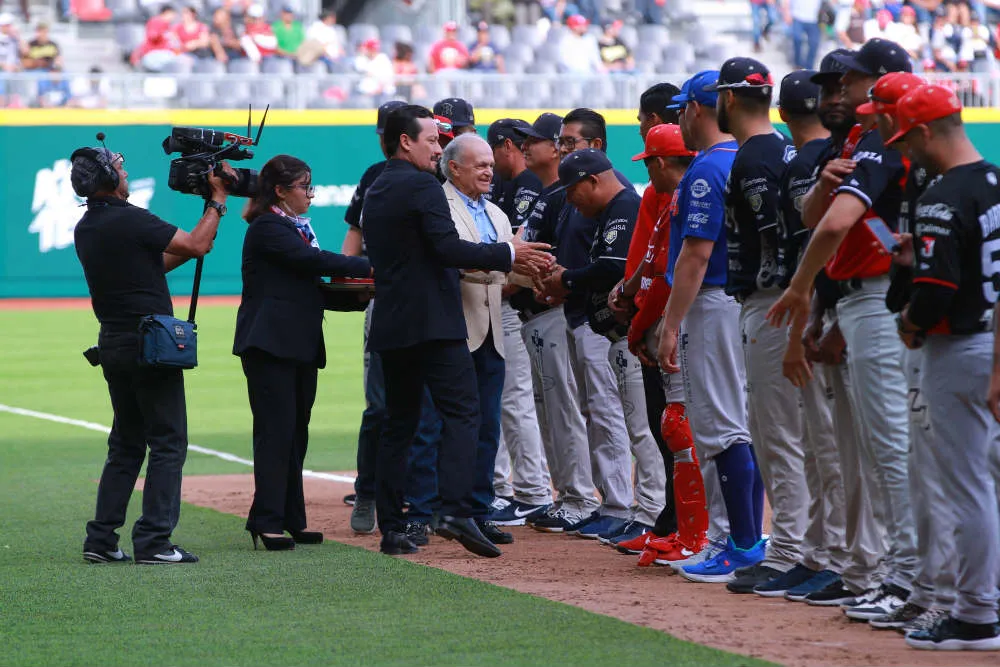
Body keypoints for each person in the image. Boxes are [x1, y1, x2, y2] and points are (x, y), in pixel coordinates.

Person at [769, 38, 918, 619]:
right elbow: (814, 218)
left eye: (845, 83)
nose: (835, 94)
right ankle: (889, 571)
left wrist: (801, 289)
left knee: (891, 448)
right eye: (830, 86)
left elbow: (835, 227)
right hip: (854, 301)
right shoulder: (853, 141)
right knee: (871, 450)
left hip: (882, 299)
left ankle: (908, 576)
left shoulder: (882, 138)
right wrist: (821, 311)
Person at [361, 104, 553, 557]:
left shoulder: (377, 186)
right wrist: (509, 254)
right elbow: (447, 249)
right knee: (465, 412)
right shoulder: (423, 186)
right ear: (405, 141)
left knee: (399, 425)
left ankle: (393, 529)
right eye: (431, 140)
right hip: (434, 323)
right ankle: (454, 510)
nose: (438, 148)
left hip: (393, 324)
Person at [72, 142, 232, 565]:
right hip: (149, 345)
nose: (126, 174)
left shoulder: (88, 226)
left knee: (126, 444)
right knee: (168, 442)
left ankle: (101, 539)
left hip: (113, 344)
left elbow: (156, 264)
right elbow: (195, 245)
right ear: (109, 178)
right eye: (120, 169)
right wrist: (217, 202)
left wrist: (202, 233)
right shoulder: (132, 219)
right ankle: (155, 541)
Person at [889, 84, 1000, 652]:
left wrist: (908, 319)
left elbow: (935, 293)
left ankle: (976, 613)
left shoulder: (942, 196)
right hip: (993, 341)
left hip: (957, 349)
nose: (905, 149)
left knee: (965, 485)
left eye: (906, 138)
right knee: (989, 480)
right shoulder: (996, 180)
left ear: (926, 131)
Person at [655, 70, 764, 581]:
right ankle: (740, 537)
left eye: (682, 108)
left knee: (722, 426)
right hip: (741, 301)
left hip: (713, 302)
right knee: (738, 423)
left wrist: (669, 324)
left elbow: (695, 255)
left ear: (697, 109)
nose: (680, 117)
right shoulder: (745, 157)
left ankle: (738, 542)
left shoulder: (707, 168)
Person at [234, 155, 371, 551]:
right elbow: (313, 262)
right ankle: (268, 521)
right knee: (276, 433)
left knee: (294, 434)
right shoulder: (268, 227)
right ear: (280, 191)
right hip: (270, 345)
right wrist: (369, 267)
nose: (310, 194)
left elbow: (309, 288)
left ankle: (290, 519)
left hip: (295, 344)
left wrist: (362, 295)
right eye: (304, 187)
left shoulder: (290, 227)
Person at [863, 71, 957, 635]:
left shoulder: (947, 184)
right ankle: (928, 588)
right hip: (927, 331)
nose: (883, 128)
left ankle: (956, 597)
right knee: (925, 470)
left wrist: (910, 319)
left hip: (946, 336)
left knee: (951, 475)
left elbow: (946, 278)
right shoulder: (926, 177)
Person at [706, 57, 804, 594]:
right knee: (787, 434)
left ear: (727, 99)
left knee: (776, 434)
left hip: (772, 303)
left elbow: (776, 234)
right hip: (784, 302)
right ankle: (802, 547)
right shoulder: (781, 146)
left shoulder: (754, 157)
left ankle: (789, 550)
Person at [538, 109, 660, 542]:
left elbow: (612, 266)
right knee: (609, 415)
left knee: (632, 421)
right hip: (600, 325)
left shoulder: (623, 203)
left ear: (591, 180)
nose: (571, 201)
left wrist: (567, 280)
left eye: (573, 192)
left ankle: (646, 510)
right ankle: (622, 506)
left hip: (623, 330)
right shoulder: (610, 205)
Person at [752, 69, 850, 600]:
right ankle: (820, 553)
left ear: (784, 113)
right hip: (822, 308)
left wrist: (806, 325)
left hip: (831, 309)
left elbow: (817, 248)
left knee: (827, 447)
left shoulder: (813, 161)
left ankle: (837, 557)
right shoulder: (816, 159)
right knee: (818, 445)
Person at [341, 100, 442, 547]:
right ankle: (368, 491)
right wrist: (349, 279)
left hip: (427, 304)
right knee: (381, 407)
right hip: (385, 300)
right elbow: (354, 234)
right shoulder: (375, 176)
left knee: (423, 410)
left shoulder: (435, 174)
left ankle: (423, 500)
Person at [616, 123, 705, 565]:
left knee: (685, 430)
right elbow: (652, 267)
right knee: (672, 428)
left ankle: (698, 534)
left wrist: (639, 327)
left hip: (688, 321)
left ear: (662, 161)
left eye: (649, 162)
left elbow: (668, 275)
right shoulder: (671, 198)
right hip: (677, 320)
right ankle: (678, 527)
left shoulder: (684, 197)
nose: (647, 171)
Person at [512, 113, 597, 533]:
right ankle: (567, 496)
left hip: (555, 313)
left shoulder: (567, 196)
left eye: (537, 140)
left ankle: (581, 498)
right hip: (537, 314)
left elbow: (558, 260)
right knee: (550, 411)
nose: (527, 147)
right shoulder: (549, 195)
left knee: (566, 410)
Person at [441, 133, 522, 546]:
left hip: (492, 330)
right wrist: (502, 260)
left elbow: (507, 269)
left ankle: (477, 510)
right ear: (454, 168)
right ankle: (439, 509)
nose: (490, 171)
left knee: (488, 426)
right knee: (448, 425)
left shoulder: (496, 213)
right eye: (480, 165)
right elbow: (456, 260)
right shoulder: (440, 206)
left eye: (491, 164)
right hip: (455, 328)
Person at [483, 118, 552, 526]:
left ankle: (532, 491)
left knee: (516, 400)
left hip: (517, 304)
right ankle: (512, 489)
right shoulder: (507, 184)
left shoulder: (527, 185)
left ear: (504, 146)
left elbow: (524, 252)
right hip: (507, 302)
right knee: (509, 400)